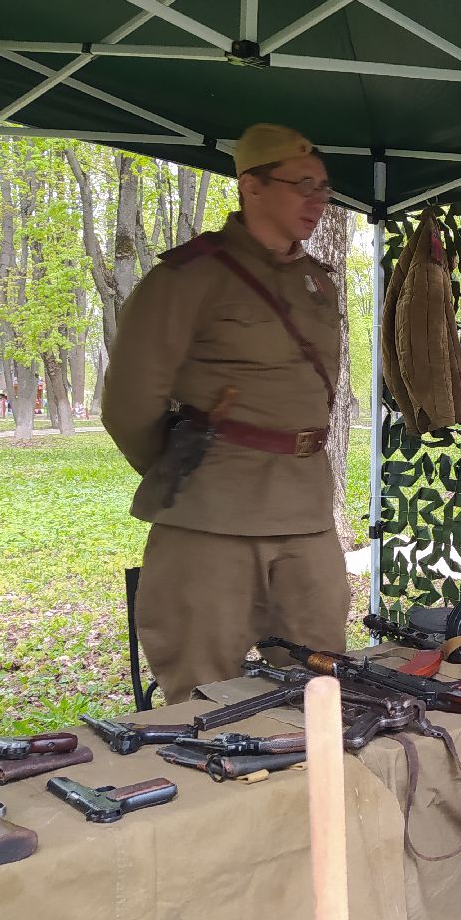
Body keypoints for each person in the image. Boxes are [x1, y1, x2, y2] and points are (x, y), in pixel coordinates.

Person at [102, 123, 348, 702]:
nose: (317, 200)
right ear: (252, 186)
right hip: (212, 521)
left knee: (321, 689)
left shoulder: (318, 282)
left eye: (324, 187)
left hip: (307, 513)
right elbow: (128, 404)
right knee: (200, 697)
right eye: (301, 184)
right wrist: (190, 468)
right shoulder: (189, 277)